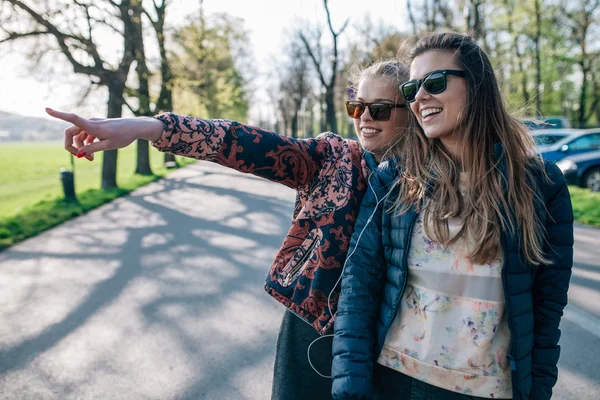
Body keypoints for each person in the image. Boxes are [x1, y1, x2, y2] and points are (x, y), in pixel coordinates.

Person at [45, 60, 410, 400]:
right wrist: (147, 127)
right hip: (311, 329)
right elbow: (240, 142)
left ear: (410, 113)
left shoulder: (426, 182)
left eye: (378, 109)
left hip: (390, 341)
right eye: (356, 106)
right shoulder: (330, 158)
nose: (363, 118)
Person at [331, 33, 573, 400]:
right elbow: (359, 285)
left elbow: (546, 309)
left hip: (489, 389)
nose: (420, 98)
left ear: (476, 86)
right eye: (412, 89)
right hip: (396, 379)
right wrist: (350, 383)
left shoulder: (540, 185)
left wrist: (537, 390)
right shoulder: (396, 178)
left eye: (435, 83)